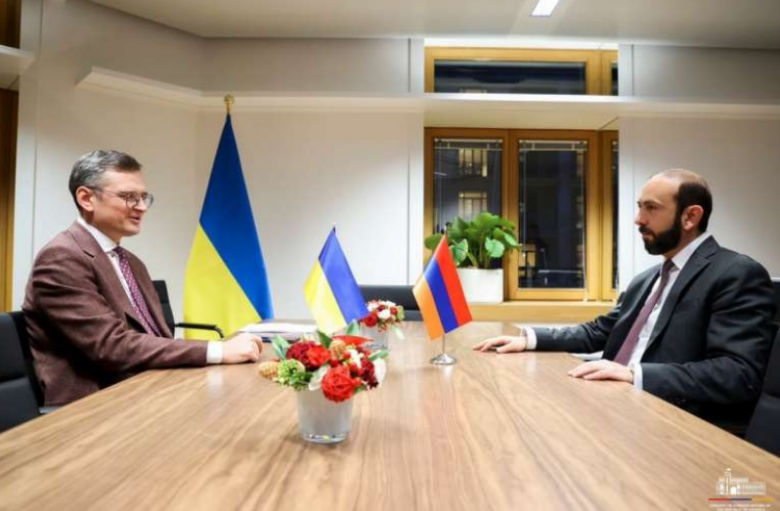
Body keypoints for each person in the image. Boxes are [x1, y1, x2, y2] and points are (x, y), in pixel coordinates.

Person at [474, 169, 775, 418]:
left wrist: (635, 374)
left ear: (690, 216)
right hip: (612, 405)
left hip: (667, 419)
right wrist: (528, 339)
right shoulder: (648, 279)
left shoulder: (735, 273)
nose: (638, 219)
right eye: (640, 206)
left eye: (651, 208)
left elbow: (738, 374)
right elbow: (599, 332)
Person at [23, 150, 264, 406]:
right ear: (86, 198)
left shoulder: (132, 262)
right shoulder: (62, 258)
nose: (141, 207)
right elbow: (111, 347)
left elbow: (159, 339)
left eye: (143, 197)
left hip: (154, 387)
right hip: (97, 403)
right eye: (129, 197)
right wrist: (218, 350)